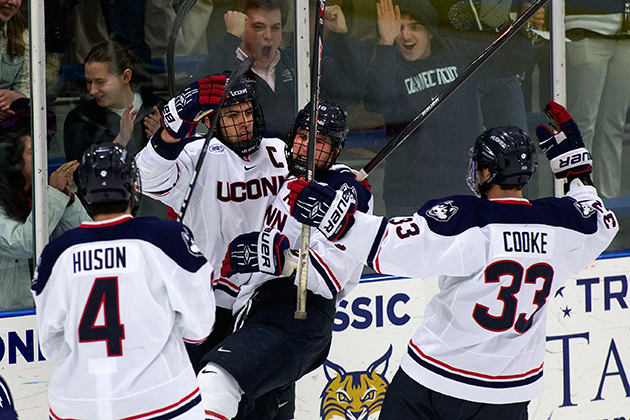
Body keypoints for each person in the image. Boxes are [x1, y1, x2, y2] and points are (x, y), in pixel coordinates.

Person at [287, 101, 618, 419]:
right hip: (510, 392)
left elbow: (389, 246)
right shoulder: (562, 225)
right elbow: (601, 220)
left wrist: (338, 218)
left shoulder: (469, 220)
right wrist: (577, 174)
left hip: (435, 379)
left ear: (487, 171)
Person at [199, 100, 372, 420]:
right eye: (303, 137)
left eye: (320, 142)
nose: (307, 147)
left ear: (335, 152)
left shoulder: (341, 191)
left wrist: (284, 261)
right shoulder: (279, 169)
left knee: (216, 383)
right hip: (253, 311)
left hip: (298, 312)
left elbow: (329, 272)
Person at [32, 143, 215, 419]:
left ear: (84, 193)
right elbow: (199, 328)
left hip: (77, 406)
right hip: (161, 402)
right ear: (133, 186)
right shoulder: (166, 238)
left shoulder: (57, 252)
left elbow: (50, 344)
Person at [365, 0, 534, 217]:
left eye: (415, 27)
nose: (405, 36)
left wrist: (515, 22)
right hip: (409, 198)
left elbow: (519, 60)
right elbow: (377, 101)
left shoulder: (457, 52)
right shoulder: (389, 63)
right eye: (399, 28)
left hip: (462, 192)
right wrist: (385, 43)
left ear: (431, 33)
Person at [190, 0, 369, 140]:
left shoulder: (297, 63)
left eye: (275, 27)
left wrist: (342, 37)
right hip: (244, 173)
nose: (269, 35)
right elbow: (196, 99)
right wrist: (230, 39)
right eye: (259, 27)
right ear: (242, 28)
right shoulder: (226, 63)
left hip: (290, 171)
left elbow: (352, 91)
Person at [0, 125, 90, 311]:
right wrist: (54, 195)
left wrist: (67, 199)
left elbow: (85, 235)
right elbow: (25, 243)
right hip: (12, 316)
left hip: (51, 307)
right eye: (33, 152)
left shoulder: (42, 197)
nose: (42, 157)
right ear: (15, 163)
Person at [565, 0, 630, 198]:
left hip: (625, 29)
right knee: (583, 122)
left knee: (613, 125)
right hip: (584, 22)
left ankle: (608, 203)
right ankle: (579, 199)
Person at [64, 41, 165, 164]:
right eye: (88, 81)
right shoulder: (80, 120)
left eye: (100, 82)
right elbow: (82, 177)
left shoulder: (159, 109)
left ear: (126, 76)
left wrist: (162, 142)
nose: (92, 90)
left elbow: (181, 167)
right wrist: (120, 141)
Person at [0, 0, 29, 122]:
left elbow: (28, 87)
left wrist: (14, 96)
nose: (12, 2)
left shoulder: (23, 35)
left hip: (8, 113)